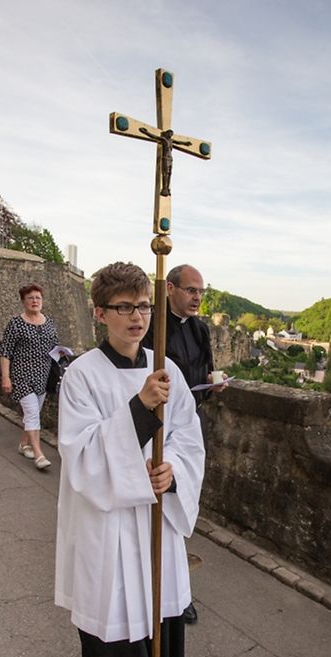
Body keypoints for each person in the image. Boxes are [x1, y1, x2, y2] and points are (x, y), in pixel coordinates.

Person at [55, 261, 204, 657]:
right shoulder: (83, 376)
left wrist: (175, 474)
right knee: (113, 640)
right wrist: (140, 408)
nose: (137, 317)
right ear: (100, 313)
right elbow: (83, 456)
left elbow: (188, 438)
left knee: (154, 628)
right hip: (109, 529)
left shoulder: (169, 371)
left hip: (154, 525)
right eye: (124, 307)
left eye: (143, 306)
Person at [145, 263, 224, 625]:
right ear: (170, 289)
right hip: (156, 426)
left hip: (191, 426)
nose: (197, 298)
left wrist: (213, 382)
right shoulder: (150, 325)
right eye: (191, 290)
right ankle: (153, 586)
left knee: (184, 498)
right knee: (156, 507)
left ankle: (177, 591)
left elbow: (204, 370)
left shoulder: (201, 329)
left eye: (200, 292)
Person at [0, 283, 59, 470]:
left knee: (32, 413)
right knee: (32, 413)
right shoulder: (16, 323)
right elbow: (5, 352)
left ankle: (24, 444)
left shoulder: (49, 323)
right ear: (24, 302)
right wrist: (5, 377)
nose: (35, 301)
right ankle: (39, 454)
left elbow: (55, 348)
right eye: (30, 298)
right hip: (22, 376)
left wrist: (62, 354)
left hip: (43, 376)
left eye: (38, 298)